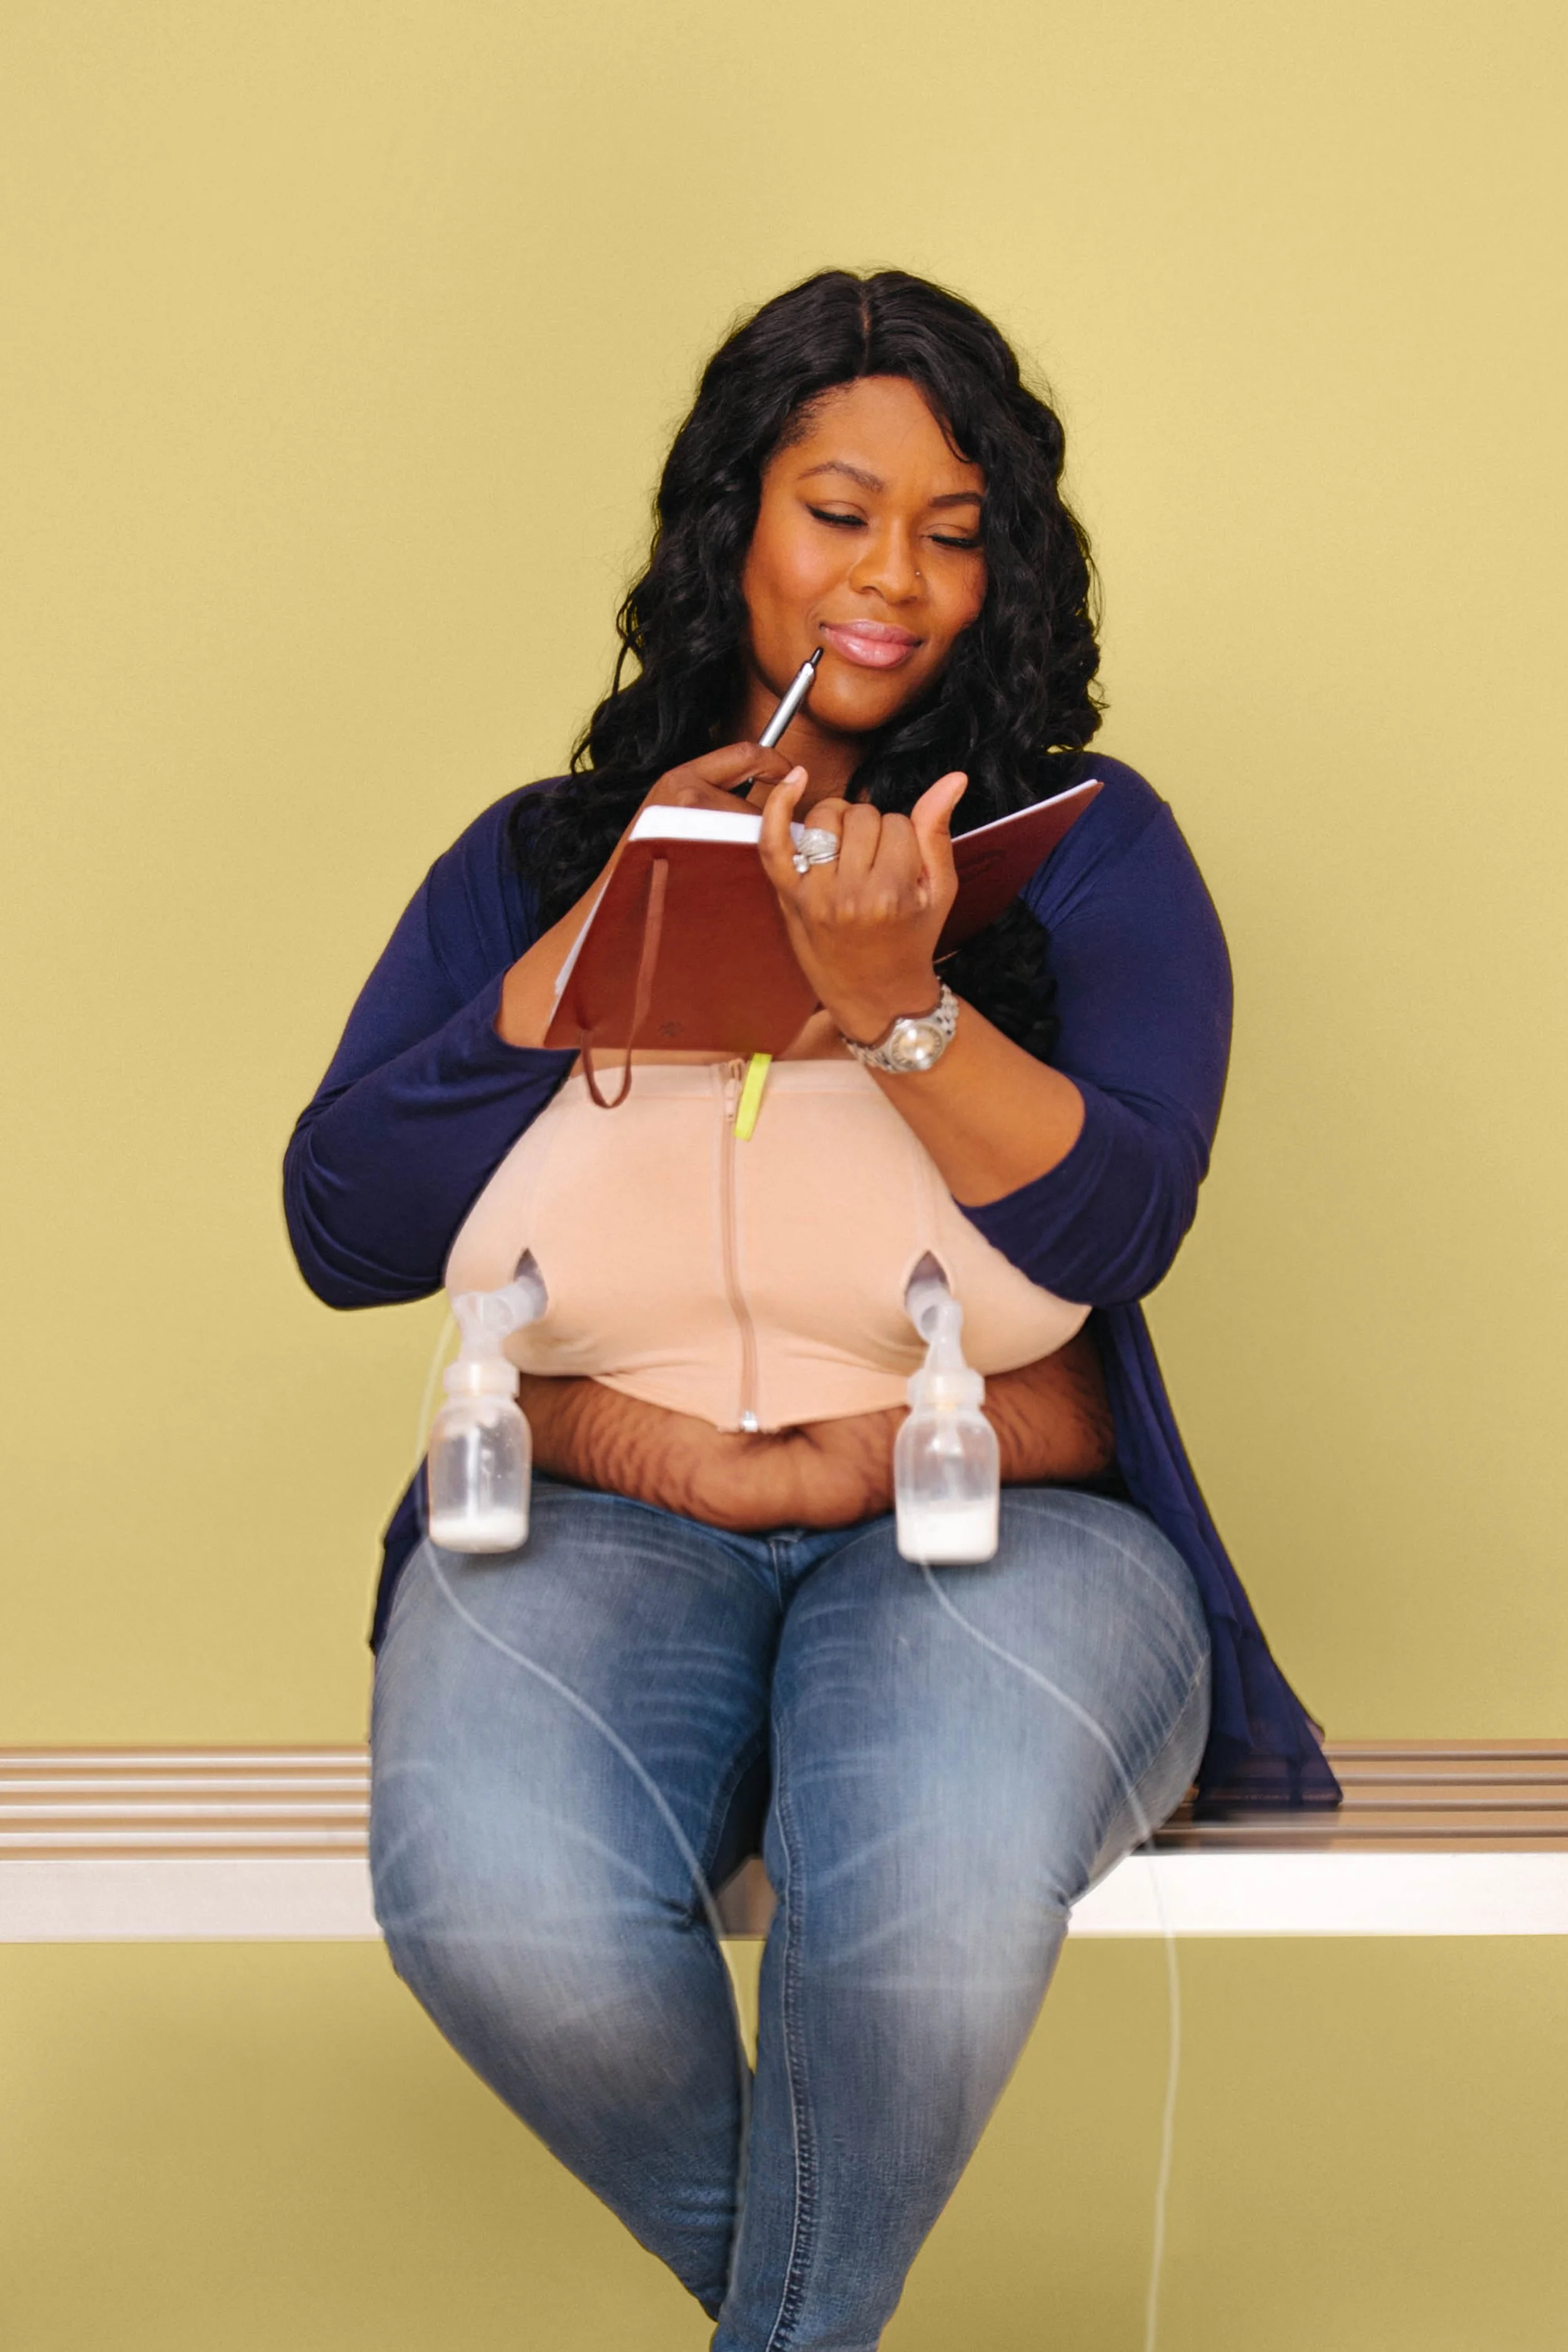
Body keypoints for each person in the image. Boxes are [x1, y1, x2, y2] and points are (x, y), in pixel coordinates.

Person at [283, 268, 1338, 2349]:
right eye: (839, 513)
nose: (892, 580)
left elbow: (1124, 1219)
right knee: (496, 1904)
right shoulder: (534, 857)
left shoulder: (1083, 851)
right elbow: (344, 1221)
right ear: (733, 526)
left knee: (927, 1907)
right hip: (587, 1531)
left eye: (953, 531)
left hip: (1005, 1531)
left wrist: (896, 1001)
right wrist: (602, 932)